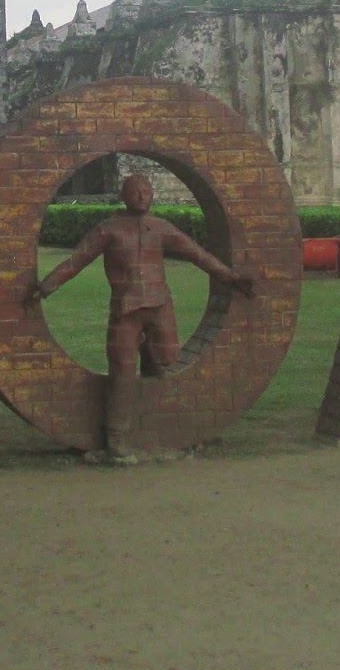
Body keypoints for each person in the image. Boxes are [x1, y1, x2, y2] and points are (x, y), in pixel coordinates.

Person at [23, 173, 255, 461]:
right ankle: (117, 439)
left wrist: (231, 278)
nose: (142, 196)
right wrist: (46, 287)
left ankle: (176, 428)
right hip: (126, 309)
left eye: (146, 191)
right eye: (135, 192)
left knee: (167, 365)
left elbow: (199, 255)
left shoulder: (160, 228)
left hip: (160, 307)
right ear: (123, 196)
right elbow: (76, 261)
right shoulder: (110, 230)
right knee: (122, 371)